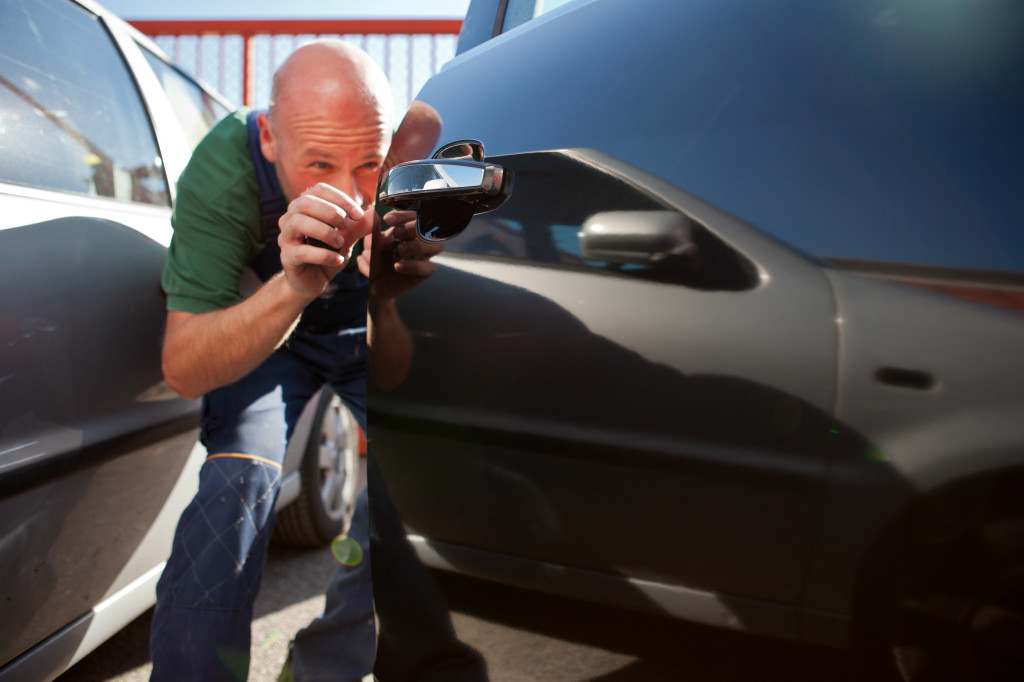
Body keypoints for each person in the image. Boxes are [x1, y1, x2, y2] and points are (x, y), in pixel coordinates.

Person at [150, 39, 442, 682]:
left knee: (420, 475)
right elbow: (182, 368)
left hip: (353, 329)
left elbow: (392, 375)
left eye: (368, 162)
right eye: (318, 164)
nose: (349, 198)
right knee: (237, 485)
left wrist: (384, 302)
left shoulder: (406, 171)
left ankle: (321, 669)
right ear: (268, 140)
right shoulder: (224, 173)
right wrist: (290, 288)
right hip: (267, 335)